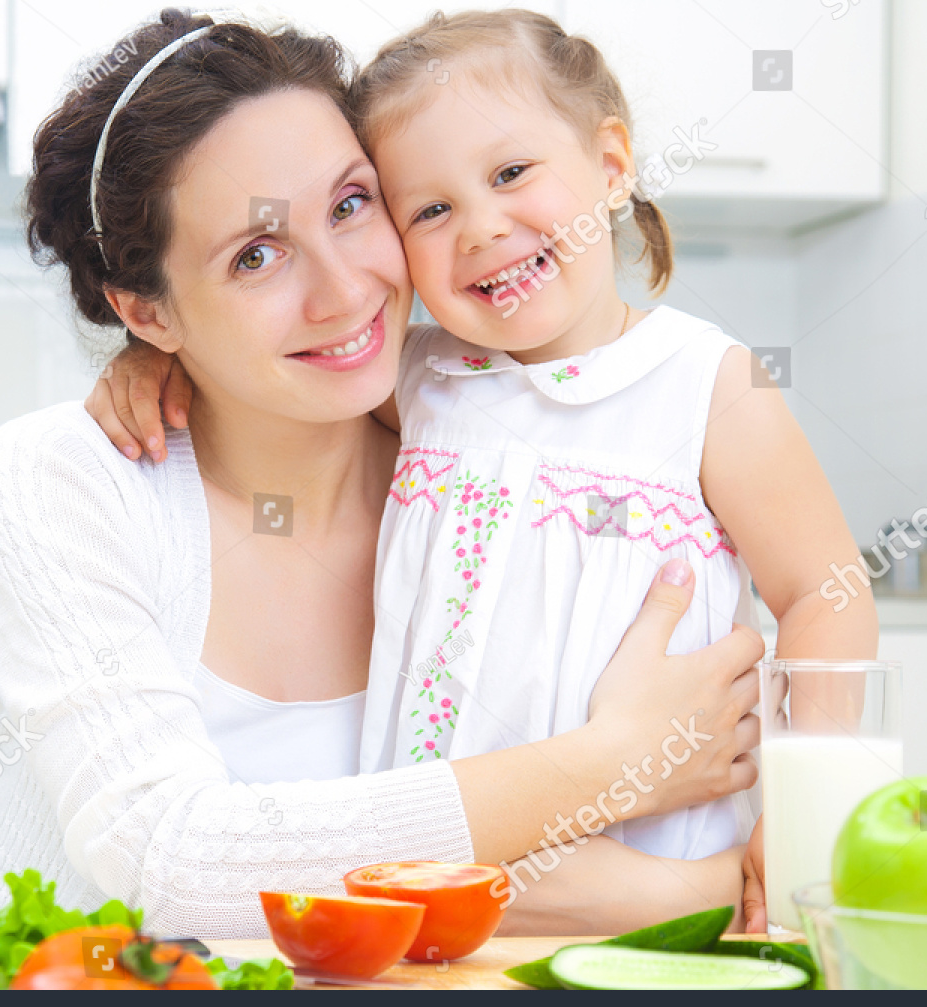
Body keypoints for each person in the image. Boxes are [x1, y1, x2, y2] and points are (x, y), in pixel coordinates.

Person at [0, 10, 764, 952]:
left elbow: (516, 870)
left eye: (352, 204)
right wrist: (615, 766)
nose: (345, 290)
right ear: (145, 312)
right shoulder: (65, 480)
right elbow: (174, 865)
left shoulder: (482, 473)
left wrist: (709, 862)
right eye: (254, 256)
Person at [88, 10, 876, 880]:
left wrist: (811, 807)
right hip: (441, 881)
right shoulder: (420, 383)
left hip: (658, 878)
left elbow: (825, 591)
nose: (482, 228)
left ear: (611, 167)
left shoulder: (709, 386)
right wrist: (155, 361)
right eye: (429, 209)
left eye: (510, 172)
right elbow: (258, 379)